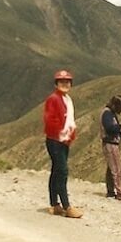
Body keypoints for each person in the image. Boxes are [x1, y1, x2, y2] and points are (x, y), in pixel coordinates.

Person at [43, 70, 82, 218]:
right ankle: (67, 206)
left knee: (56, 171)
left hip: (63, 140)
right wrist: (62, 135)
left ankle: (54, 204)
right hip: (56, 140)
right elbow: (50, 120)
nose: (65, 84)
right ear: (56, 84)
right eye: (61, 82)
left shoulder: (66, 99)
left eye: (67, 82)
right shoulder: (54, 99)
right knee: (63, 171)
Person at [99, 95, 121, 201]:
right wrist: (120, 126)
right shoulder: (107, 113)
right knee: (116, 168)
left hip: (111, 143)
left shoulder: (109, 113)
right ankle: (119, 192)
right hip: (110, 143)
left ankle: (111, 191)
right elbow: (109, 128)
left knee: (111, 168)